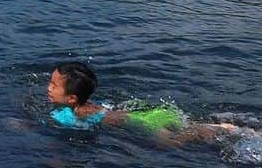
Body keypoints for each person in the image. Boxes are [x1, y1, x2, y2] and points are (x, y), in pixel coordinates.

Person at [46, 61, 244, 142]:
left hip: (146, 122)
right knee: (188, 127)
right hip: (153, 114)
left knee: (172, 142)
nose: (48, 88)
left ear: (72, 98)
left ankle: (224, 132)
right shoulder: (91, 104)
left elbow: (59, 128)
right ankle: (225, 128)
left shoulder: (67, 113)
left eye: (54, 85)